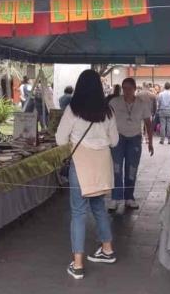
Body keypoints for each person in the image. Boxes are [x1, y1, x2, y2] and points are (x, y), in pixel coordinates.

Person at [56, 69, 119, 280]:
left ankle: (78, 264)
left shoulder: (73, 110)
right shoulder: (108, 111)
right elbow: (115, 141)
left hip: (81, 164)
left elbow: (59, 139)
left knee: (78, 212)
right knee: (99, 206)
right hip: (102, 164)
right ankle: (107, 249)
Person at [108, 78, 154, 212]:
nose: (126, 91)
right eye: (124, 88)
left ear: (135, 88)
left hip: (134, 138)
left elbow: (148, 123)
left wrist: (150, 142)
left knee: (131, 169)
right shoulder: (114, 102)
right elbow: (106, 120)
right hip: (117, 138)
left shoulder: (142, 103)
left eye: (129, 88)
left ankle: (129, 197)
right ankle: (115, 198)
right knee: (116, 168)